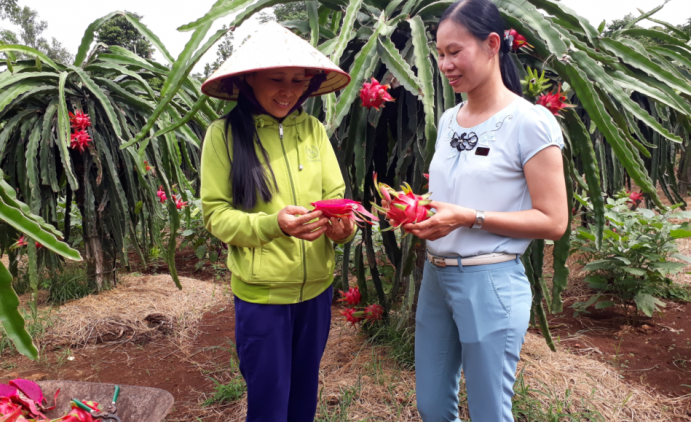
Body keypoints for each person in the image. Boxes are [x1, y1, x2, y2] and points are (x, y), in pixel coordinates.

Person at [396, 0, 569, 421]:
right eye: (439, 54)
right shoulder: (449, 119)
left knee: (491, 412)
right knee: (432, 406)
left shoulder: (530, 122)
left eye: (455, 52)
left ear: (492, 44)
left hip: (491, 280)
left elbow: (554, 221)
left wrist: (468, 217)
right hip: (437, 277)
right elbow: (447, 196)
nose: (445, 64)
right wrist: (421, 213)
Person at [199, 22, 354, 422]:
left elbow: (337, 198)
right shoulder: (223, 136)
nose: (289, 90)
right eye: (277, 79)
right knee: (268, 401)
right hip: (262, 297)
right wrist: (274, 225)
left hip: (317, 291)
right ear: (249, 78)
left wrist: (343, 228)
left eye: (299, 81)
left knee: (304, 393)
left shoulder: (314, 130)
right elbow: (216, 216)